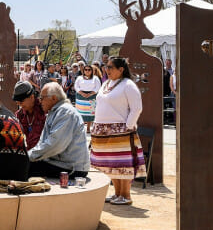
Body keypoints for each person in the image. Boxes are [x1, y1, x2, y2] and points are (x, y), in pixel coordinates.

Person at [90, 57, 145, 205]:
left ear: (121, 69)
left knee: (123, 164)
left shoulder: (128, 85)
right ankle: (117, 194)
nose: (107, 70)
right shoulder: (106, 84)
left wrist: (128, 126)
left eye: (110, 67)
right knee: (109, 163)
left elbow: (136, 108)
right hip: (102, 131)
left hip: (121, 132)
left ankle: (126, 195)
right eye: (106, 67)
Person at [26, 82, 91, 179]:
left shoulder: (65, 111)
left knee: (24, 167)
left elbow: (55, 145)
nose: (40, 101)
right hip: (60, 163)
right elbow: (43, 143)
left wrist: (28, 157)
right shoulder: (54, 112)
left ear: (53, 98)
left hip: (72, 167)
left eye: (42, 98)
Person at [13, 80, 46, 149]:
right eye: (17, 102)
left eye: (21, 101)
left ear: (32, 97)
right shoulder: (19, 115)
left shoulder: (44, 110)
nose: (19, 104)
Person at [74, 64, 101, 131]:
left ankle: (88, 128)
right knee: (81, 112)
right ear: (83, 71)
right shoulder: (79, 78)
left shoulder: (95, 78)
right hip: (81, 97)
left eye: (89, 70)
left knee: (90, 113)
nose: (87, 71)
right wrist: (82, 93)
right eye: (86, 70)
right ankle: (81, 127)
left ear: (92, 71)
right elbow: (76, 86)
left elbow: (98, 87)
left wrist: (90, 94)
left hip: (92, 96)